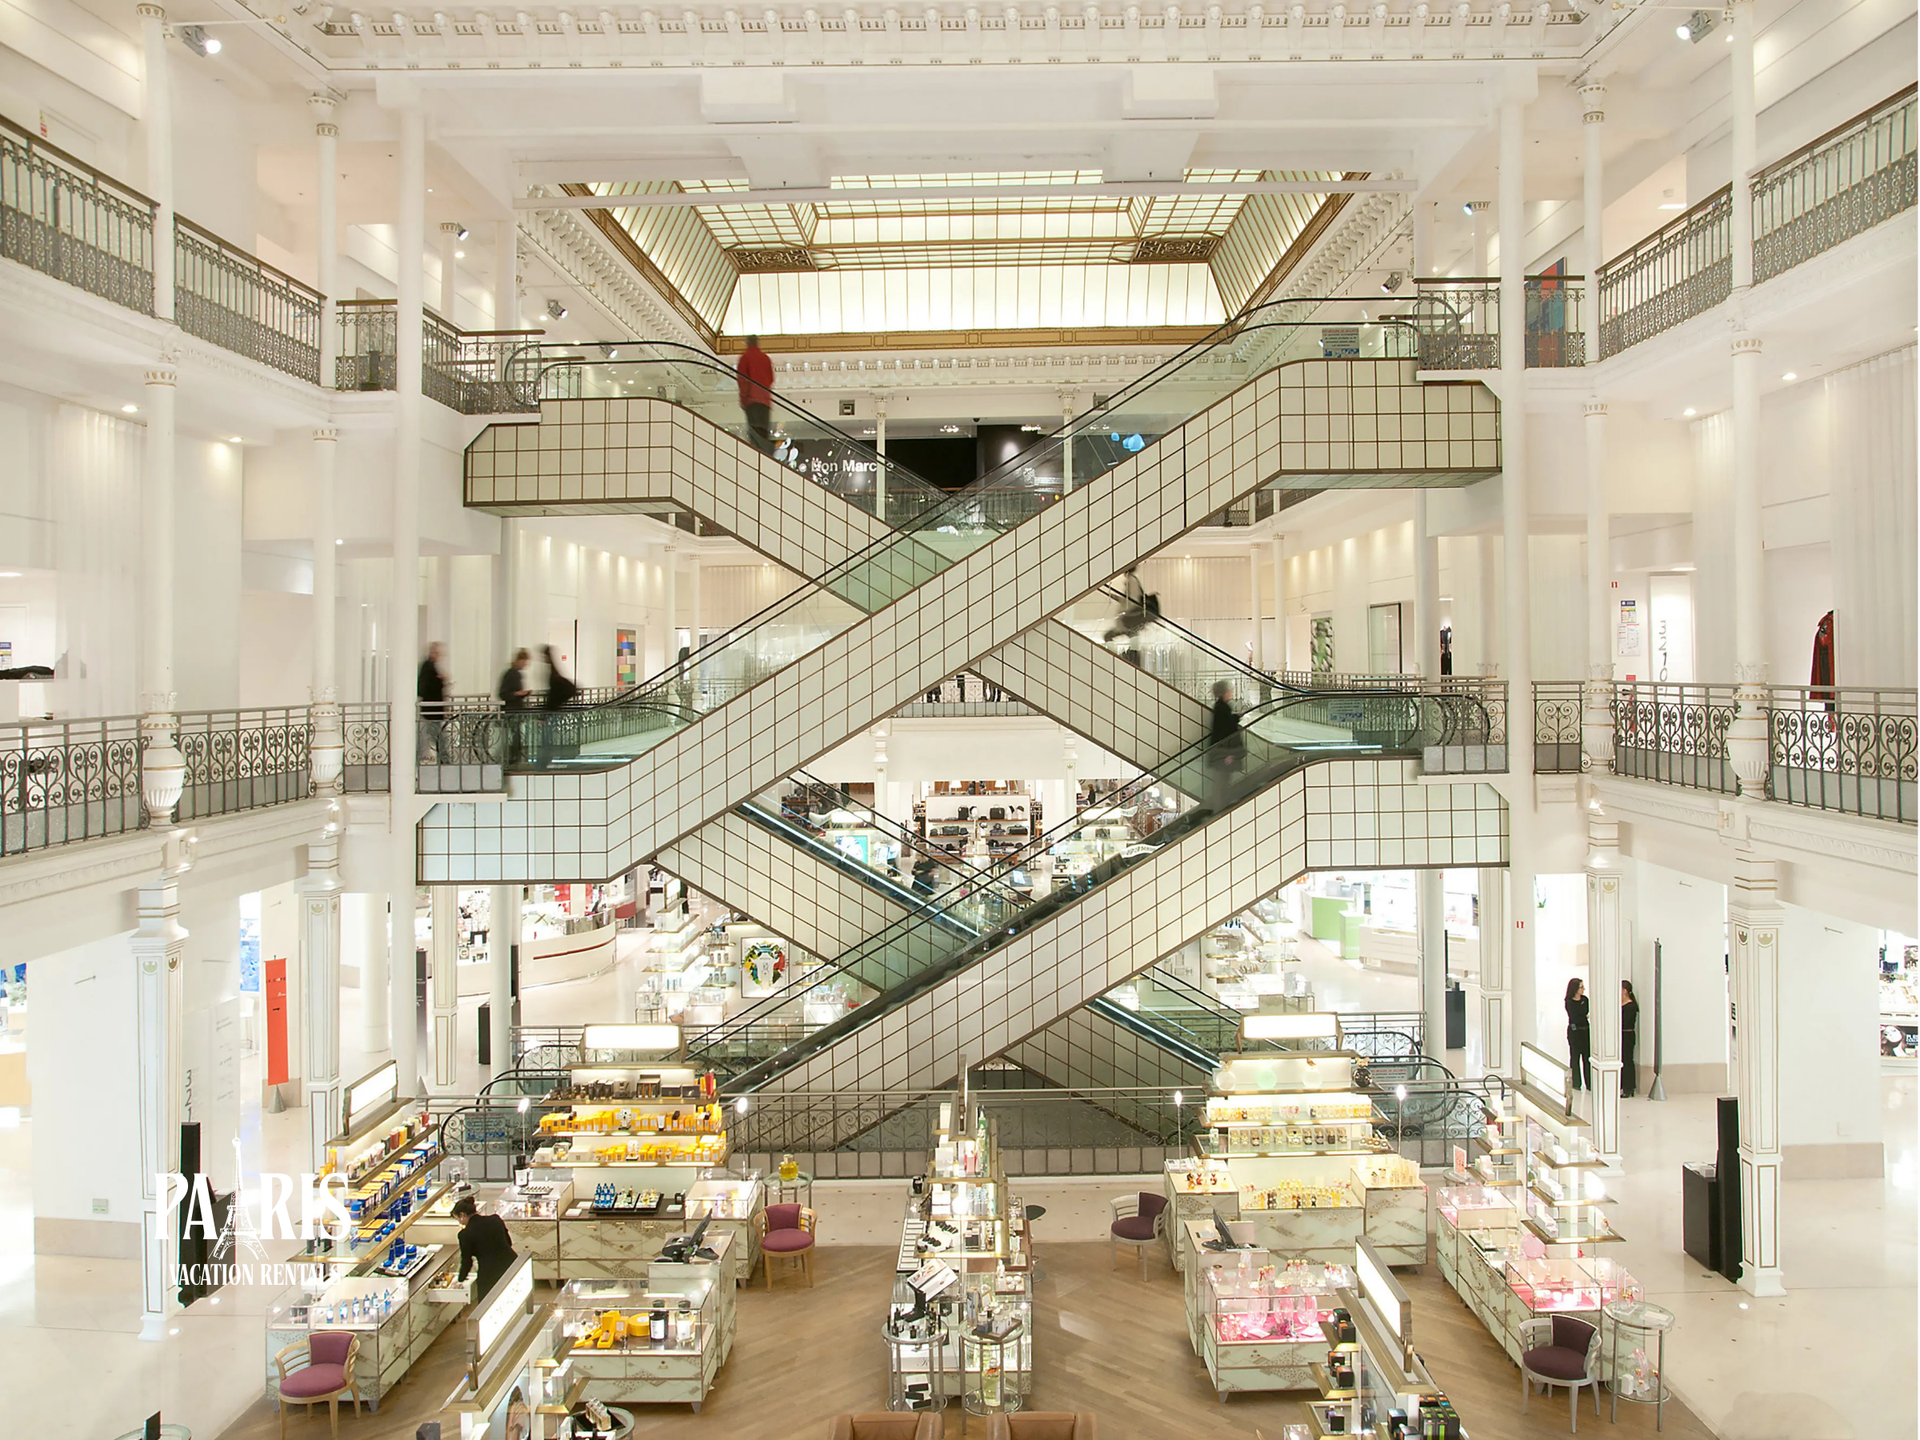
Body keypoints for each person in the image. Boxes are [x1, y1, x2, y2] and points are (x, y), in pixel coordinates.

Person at [451, 1194, 518, 1301]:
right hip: (512, 1264)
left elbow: (467, 1261)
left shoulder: (465, 1234)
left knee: (488, 1304)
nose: (459, 1222)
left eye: (458, 1219)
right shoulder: (495, 1219)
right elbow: (508, 1242)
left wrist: (460, 1279)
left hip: (490, 1274)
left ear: (462, 1215)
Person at [1205, 679, 1246, 808]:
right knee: (1222, 783)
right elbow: (1224, 731)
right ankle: (1221, 808)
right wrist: (1228, 754)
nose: (1231, 692)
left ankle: (1221, 807)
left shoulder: (1221, 708)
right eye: (1229, 690)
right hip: (1224, 754)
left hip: (1222, 753)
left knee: (1222, 783)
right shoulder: (1222, 709)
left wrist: (1235, 717)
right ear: (1223, 693)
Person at [736, 334, 775, 453]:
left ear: (747, 343)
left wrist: (743, 400)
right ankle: (766, 457)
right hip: (765, 401)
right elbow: (771, 378)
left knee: (754, 433)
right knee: (763, 432)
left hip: (752, 400)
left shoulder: (745, 358)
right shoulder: (765, 358)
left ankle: (757, 457)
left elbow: (742, 380)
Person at [498, 648, 531, 763]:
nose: (525, 665)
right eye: (524, 662)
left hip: (515, 709)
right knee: (515, 735)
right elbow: (503, 693)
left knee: (516, 734)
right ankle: (514, 758)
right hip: (513, 709)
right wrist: (518, 694)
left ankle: (515, 757)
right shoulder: (512, 673)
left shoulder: (512, 673)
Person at [417, 641, 447, 763]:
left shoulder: (430, 666)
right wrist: (440, 681)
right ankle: (443, 760)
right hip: (432, 710)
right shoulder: (428, 667)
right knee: (436, 736)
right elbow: (427, 687)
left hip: (433, 710)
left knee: (434, 736)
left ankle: (443, 759)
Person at [1564, 977, 1591, 1092]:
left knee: (1587, 1057)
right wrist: (1582, 1017)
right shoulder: (1569, 1001)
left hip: (1585, 1031)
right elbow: (1575, 1016)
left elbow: (1584, 1012)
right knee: (1575, 1057)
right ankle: (1576, 1082)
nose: (1583, 989)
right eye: (1581, 987)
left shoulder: (1585, 999)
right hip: (1575, 1031)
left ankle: (1589, 1082)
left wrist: (1583, 1016)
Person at [1620, 980, 1640, 1098]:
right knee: (1622, 1060)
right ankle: (1623, 1085)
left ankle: (1629, 1087)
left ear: (1625, 991)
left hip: (1627, 1035)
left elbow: (1625, 1022)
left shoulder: (1631, 1006)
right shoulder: (1620, 1005)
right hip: (1621, 1035)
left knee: (1627, 1060)